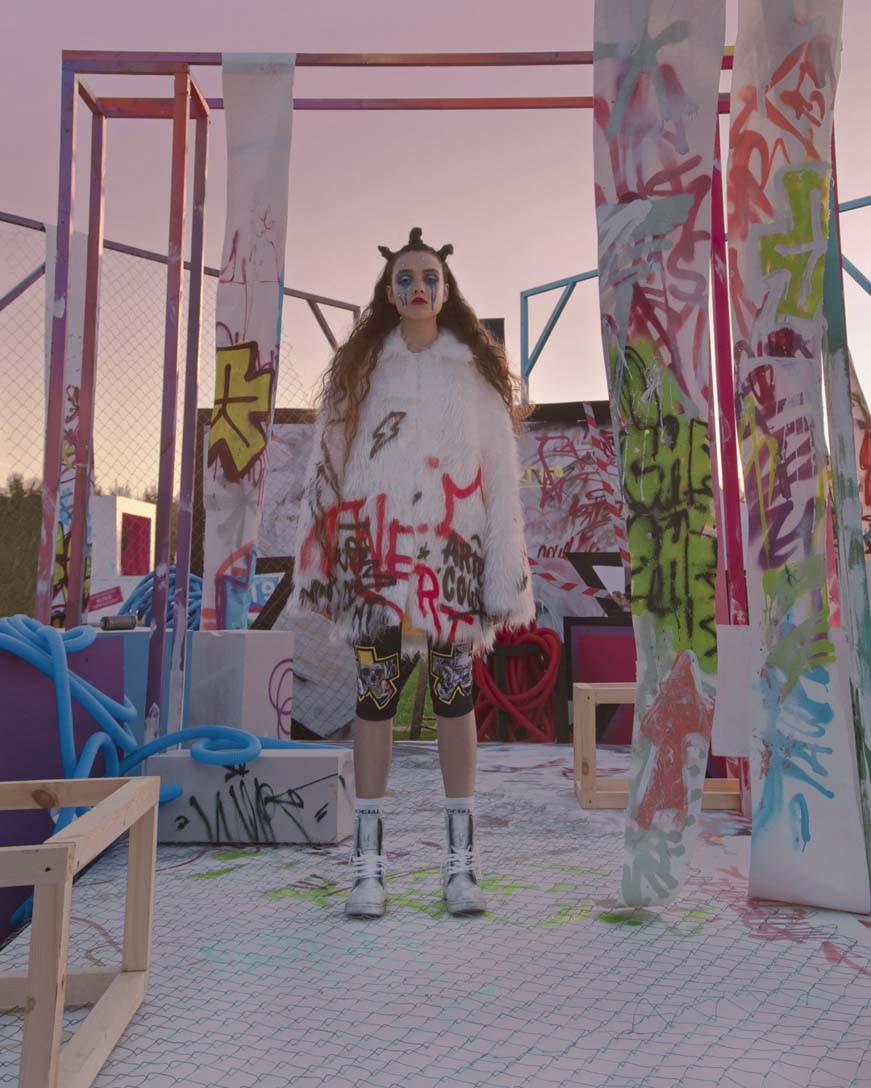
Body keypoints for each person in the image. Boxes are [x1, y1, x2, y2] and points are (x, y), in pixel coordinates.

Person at [289, 227, 534, 918]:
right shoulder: (363, 372)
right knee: (375, 701)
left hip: (452, 562)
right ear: (388, 293)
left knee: (455, 699)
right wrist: (323, 560)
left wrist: (503, 570)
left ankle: (462, 868)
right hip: (377, 560)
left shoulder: (474, 376)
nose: (418, 287)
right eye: (405, 279)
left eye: (429, 277)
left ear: (446, 291)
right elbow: (328, 468)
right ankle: (367, 872)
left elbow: (500, 479)